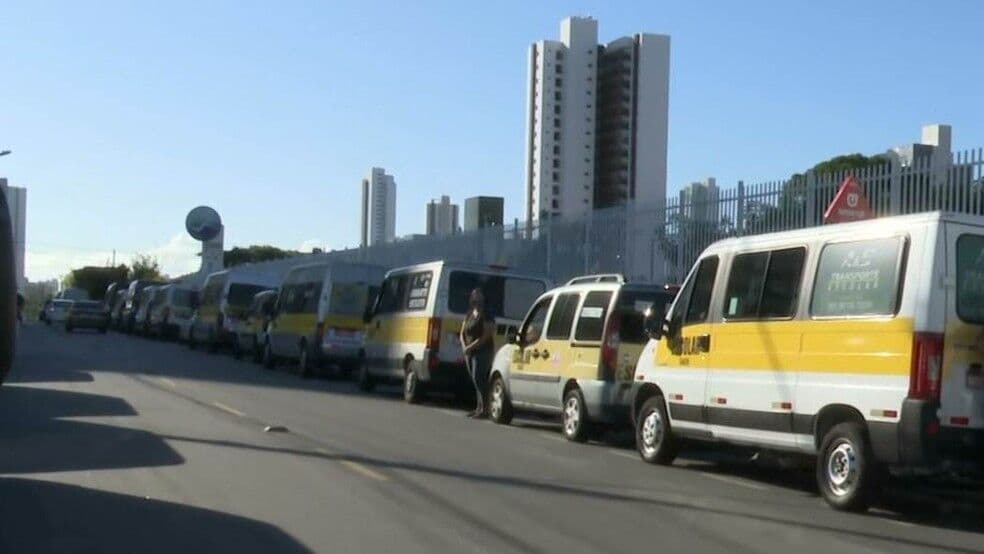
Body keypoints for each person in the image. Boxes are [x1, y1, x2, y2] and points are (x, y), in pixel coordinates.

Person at [460, 287, 494, 418]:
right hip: (469, 351)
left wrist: (472, 347)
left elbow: (486, 335)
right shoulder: (469, 313)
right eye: (474, 296)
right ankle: (478, 408)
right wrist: (464, 346)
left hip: (483, 350)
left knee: (480, 378)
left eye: (479, 296)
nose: (476, 299)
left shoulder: (487, 314)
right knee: (475, 379)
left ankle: (485, 409)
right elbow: (463, 332)